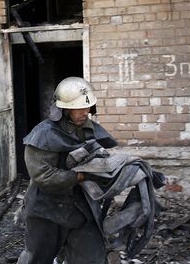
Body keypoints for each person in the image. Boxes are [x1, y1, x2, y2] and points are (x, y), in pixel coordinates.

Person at [17, 77, 117, 264]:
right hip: (45, 208)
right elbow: (43, 176)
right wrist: (81, 176)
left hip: (80, 209)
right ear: (63, 109)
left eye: (87, 107)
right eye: (78, 108)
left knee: (92, 258)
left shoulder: (88, 128)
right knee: (37, 258)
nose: (85, 112)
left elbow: (102, 157)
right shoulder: (42, 134)